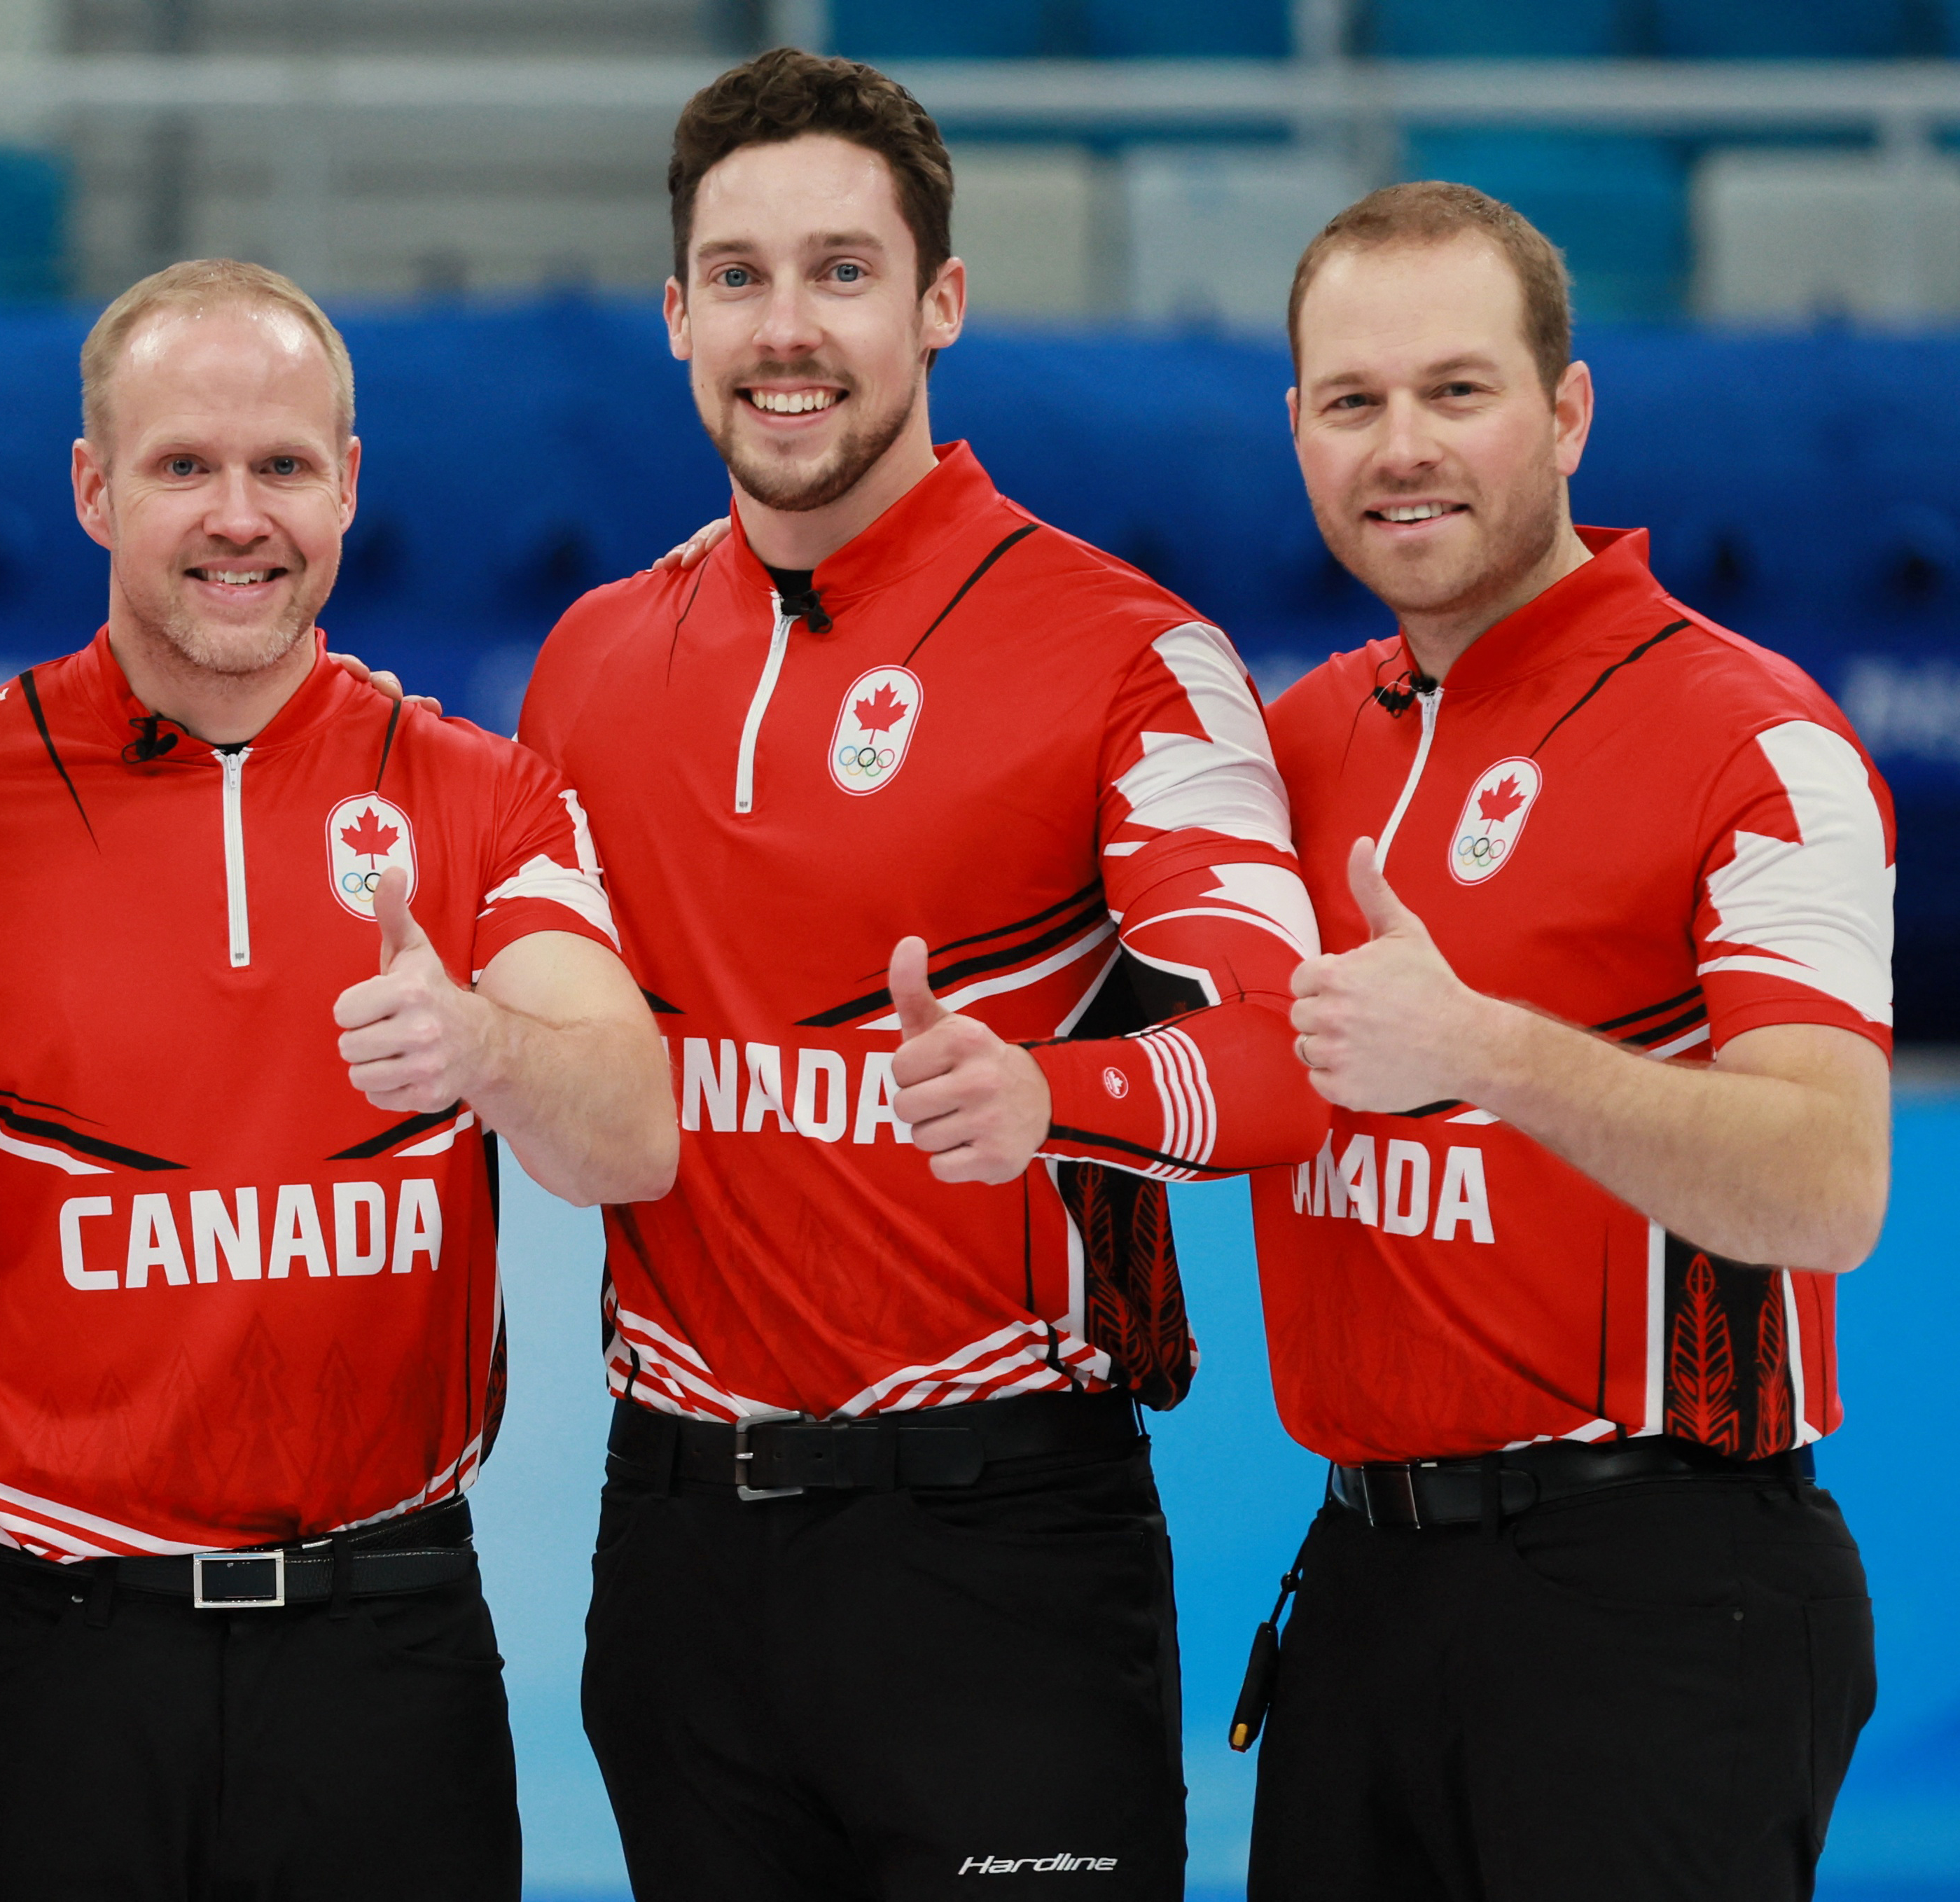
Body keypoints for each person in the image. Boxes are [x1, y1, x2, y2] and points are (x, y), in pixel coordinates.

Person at [513, 50, 1329, 1902]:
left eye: (840, 271)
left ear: (941, 301)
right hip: (672, 1550)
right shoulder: (588, 657)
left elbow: (1286, 1047)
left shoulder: (1129, 651)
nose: (782, 330)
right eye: (736, 276)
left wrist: (1059, 1094)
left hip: (996, 1545)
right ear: (671, 315)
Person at [0, 258, 676, 1901]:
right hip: (40, 1663)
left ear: (350, 485)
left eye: (284, 466)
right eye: (184, 467)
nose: (242, 516)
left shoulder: (479, 792)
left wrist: (487, 1047)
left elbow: (630, 1134)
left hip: (384, 1653)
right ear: (93, 488)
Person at [1246, 181, 1890, 1900]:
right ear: (1294, 428)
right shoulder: (1294, 744)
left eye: (1459, 390)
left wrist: (1493, 1049)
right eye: (1352, 400)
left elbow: (1827, 1184)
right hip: (1364, 1583)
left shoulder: (1755, 740)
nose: (1405, 447)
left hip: (1662, 1590)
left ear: (1570, 411)